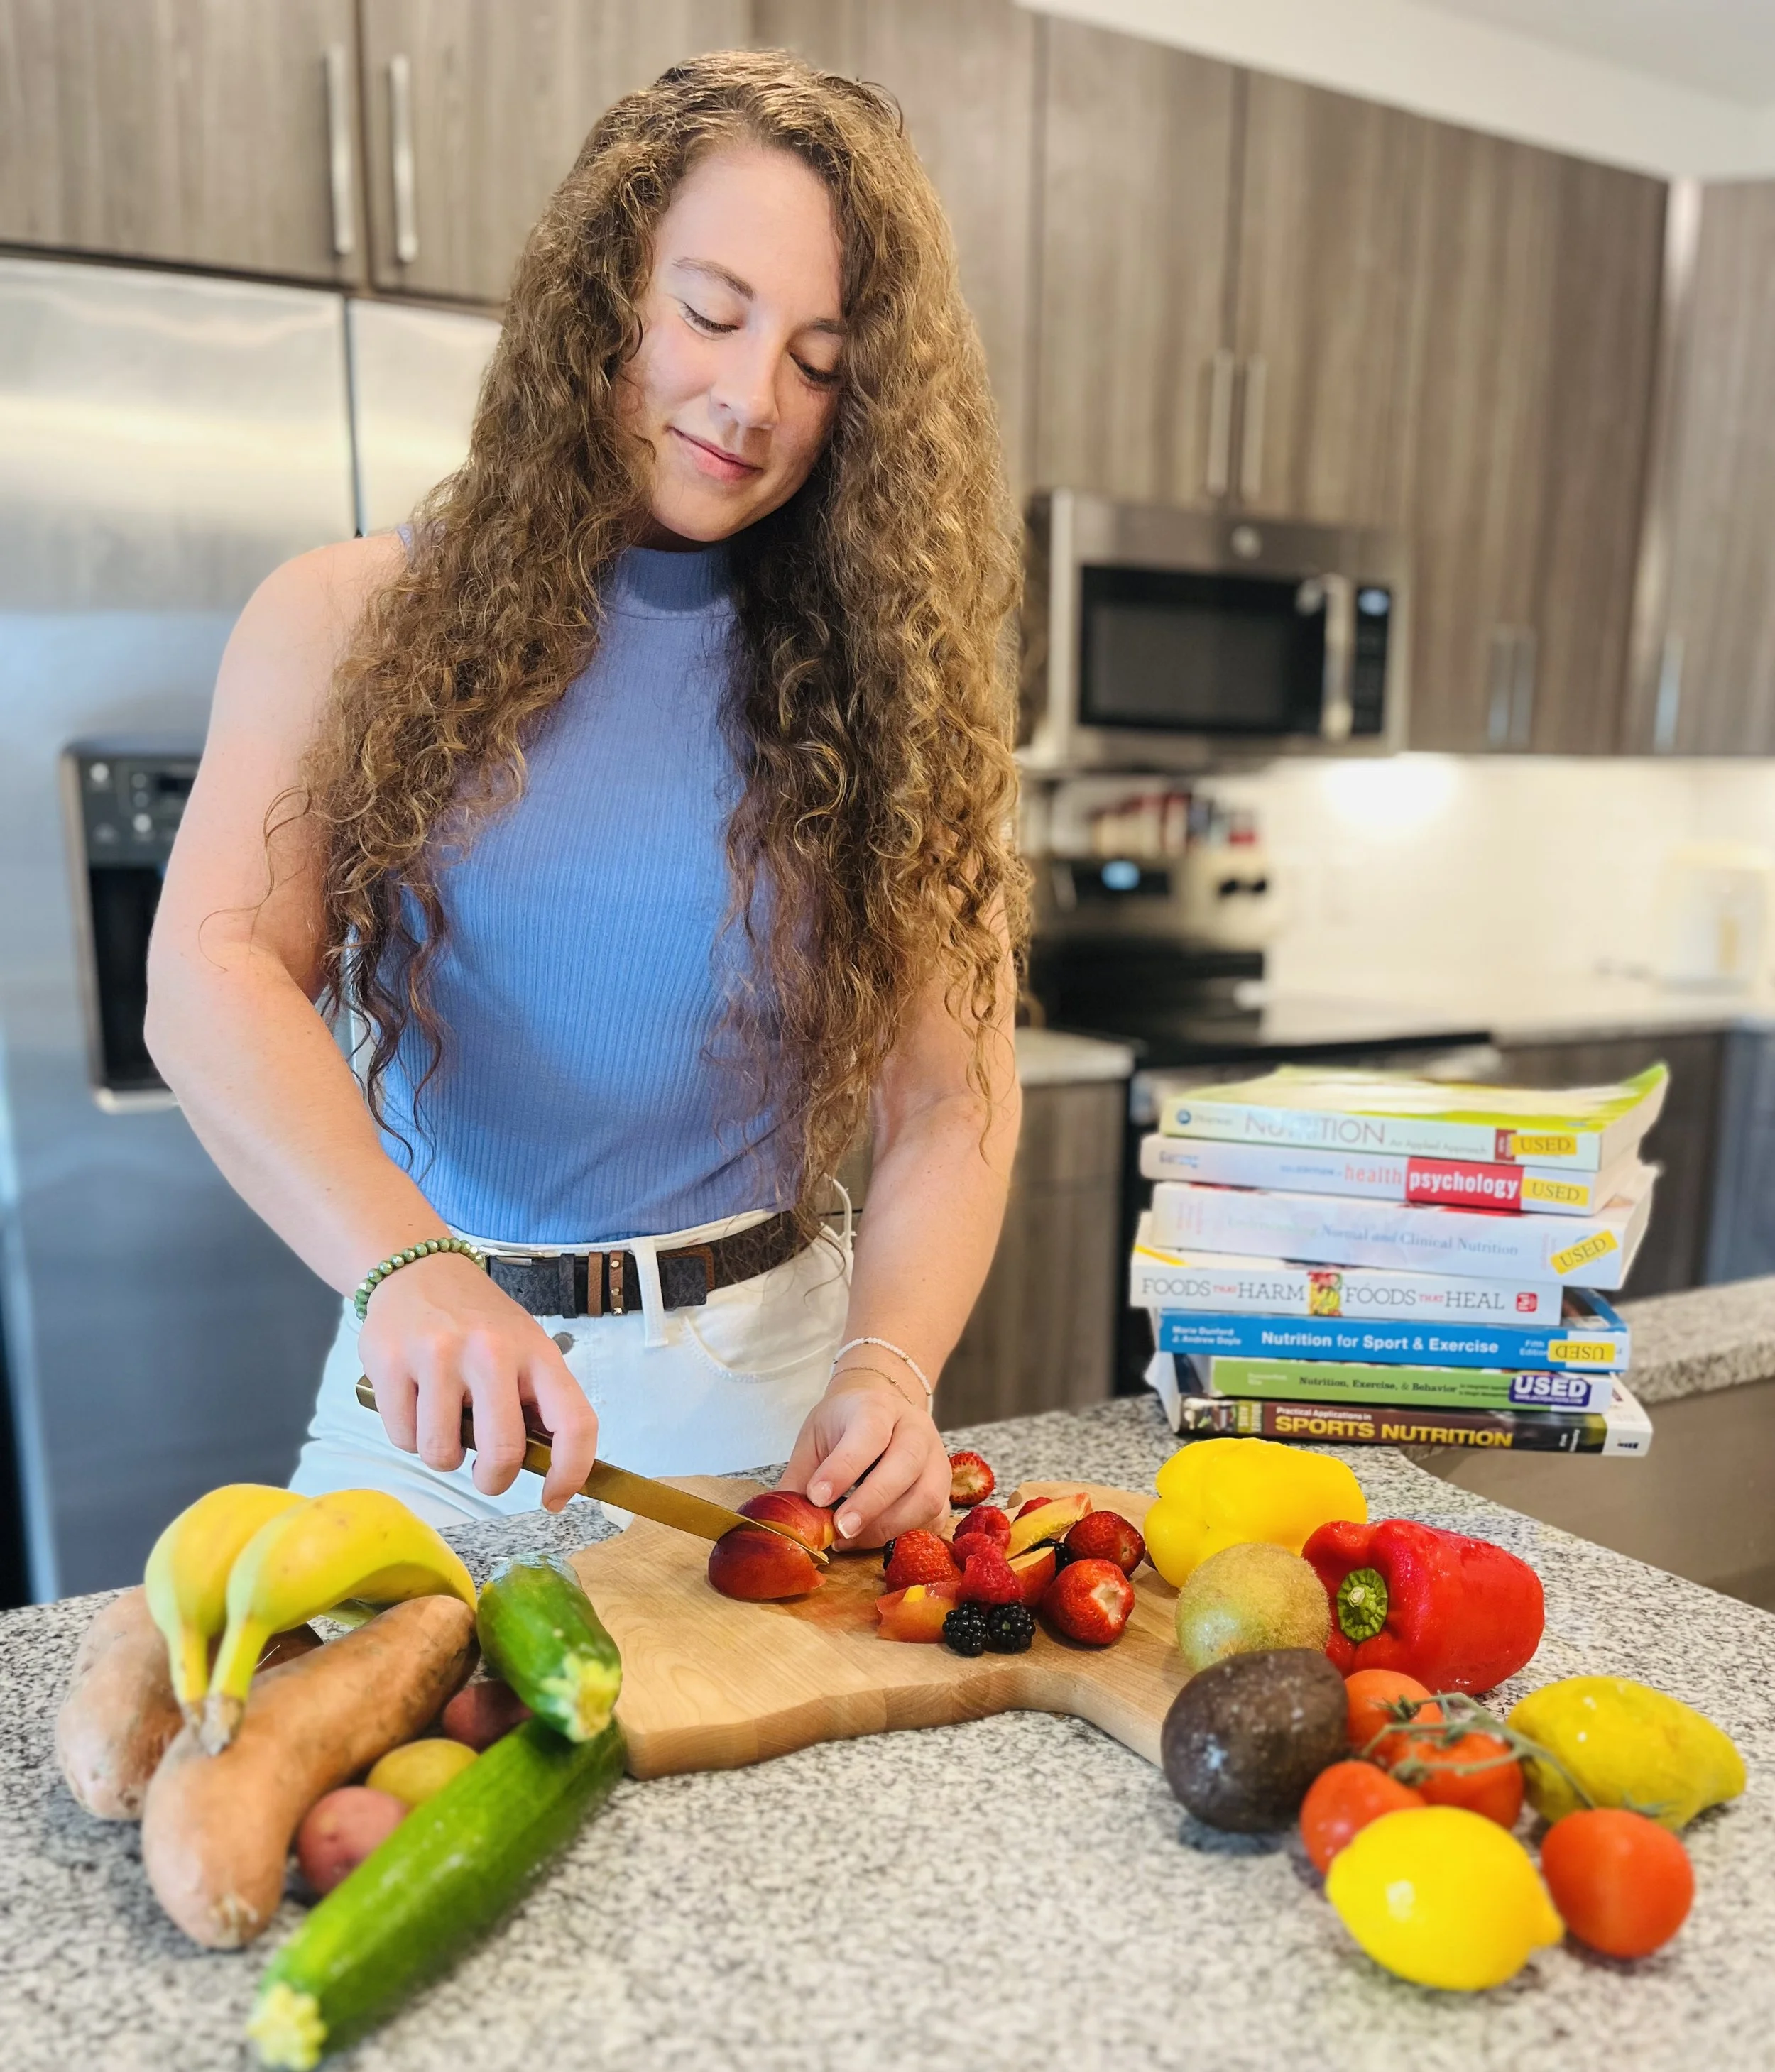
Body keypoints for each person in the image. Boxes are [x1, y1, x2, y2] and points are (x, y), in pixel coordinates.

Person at [145, 50, 1025, 1548]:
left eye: (817, 363)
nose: (749, 399)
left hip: (764, 1411)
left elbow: (949, 1096)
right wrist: (405, 1270)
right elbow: (212, 975)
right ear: (602, 286)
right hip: (433, 1384)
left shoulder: (900, 692)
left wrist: (889, 1369)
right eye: (708, 310)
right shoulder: (342, 617)